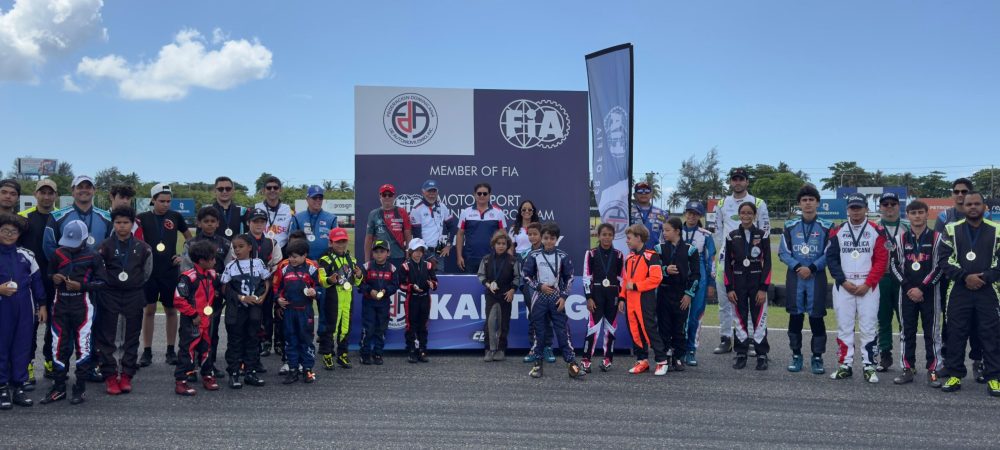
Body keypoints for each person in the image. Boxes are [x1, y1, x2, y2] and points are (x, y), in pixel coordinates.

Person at [937, 192, 1000, 395]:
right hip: (958, 289)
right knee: (956, 333)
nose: (973, 207)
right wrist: (965, 277)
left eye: (977, 204)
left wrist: (985, 277)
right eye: (968, 204)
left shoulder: (997, 230)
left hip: (988, 290)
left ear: (984, 207)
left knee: (991, 334)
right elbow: (944, 260)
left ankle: (993, 377)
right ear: (962, 207)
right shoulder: (950, 229)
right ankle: (955, 374)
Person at [41, 220, 107, 405]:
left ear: (85, 239)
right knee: (58, 347)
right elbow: (49, 275)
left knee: (83, 347)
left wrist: (82, 286)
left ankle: (80, 387)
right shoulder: (57, 253)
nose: (70, 246)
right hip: (60, 305)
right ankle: (59, 387)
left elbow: (103, 282)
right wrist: (54, 278)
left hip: (83, 307)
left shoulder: (93, 256)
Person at [827, 194, 889, 383]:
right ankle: (845, 365)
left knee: (868, 326)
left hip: (868, 287)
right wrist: (843, 282)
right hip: (843, 286)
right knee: (844, 327)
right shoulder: (837, 231)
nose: (855, 211)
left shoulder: (877, 230)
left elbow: (881, 260)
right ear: (847, 209)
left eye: (859, 207)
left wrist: (868, 284)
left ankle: (869, 365)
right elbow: (832, 259)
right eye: (852, 207)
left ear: (866, 209)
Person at [95, 206, 152, 396]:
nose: (122, 226)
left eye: (125, 222)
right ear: (114, 224)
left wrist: (133, 283)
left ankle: (126, 374)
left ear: (133, 224)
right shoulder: (104, 247)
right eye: (118, 223)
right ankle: (110, 375)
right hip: (109, 294)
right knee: (108, 335)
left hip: (134, 294)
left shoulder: (143, 248)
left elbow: (146, 273)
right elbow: (100, 271)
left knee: (131, 335)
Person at [713, 168, 770, 355]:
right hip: (727, 259)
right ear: (730, 182)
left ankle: (752, 339)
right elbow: (718, 234)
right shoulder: (721, 203)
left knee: (752, 300)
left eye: (741, 179)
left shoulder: (759, 202)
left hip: (752, 260)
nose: (737, 182)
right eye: (734, 179)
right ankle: (725, 338)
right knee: (725, 300)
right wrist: (721, 256)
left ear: (747, 182)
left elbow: (765, 230)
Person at [888, 200, 944, 387]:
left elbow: (940, 267)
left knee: (932, 332)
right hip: (907, 294)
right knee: (907, 331)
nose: (917, 216)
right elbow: (894, 267)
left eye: (921, 212)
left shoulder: (937, 238)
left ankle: (933, 369)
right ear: (907, 216)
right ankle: (907, 368)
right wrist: (908, 288)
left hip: (929, 293)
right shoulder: (900, 240)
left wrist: (922, 288)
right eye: (913, 213)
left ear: (927, 214)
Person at [777, 185, 832, 374]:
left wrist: (813, 267)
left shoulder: (827, 226)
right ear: (799, 204)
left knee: (817, 316)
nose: (808, 203)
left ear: (817, 203)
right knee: (795, 316)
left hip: (816, 277)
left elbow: (830, 252)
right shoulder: (790, 226)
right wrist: (799, 267)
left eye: (811, 200)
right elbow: (783, 252)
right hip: (796, 276)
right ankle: (796, 355)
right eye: (804, 200)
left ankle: (817, 357)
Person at [137, 183, 193, 368]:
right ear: (153, 200)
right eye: (162, 201)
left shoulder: (175, 217)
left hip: (170, 271)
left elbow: (190, 239)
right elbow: (135, 241)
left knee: (171, 310)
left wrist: (183, 256)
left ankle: (171, 350)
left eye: (169, 201)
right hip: (150, 271)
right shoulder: (142, 218)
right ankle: (147, 351)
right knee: (149, 310)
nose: (166, 204)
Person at [934, 178, 984, 382]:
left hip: (980, 279)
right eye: (957, 191)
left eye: (965, 191)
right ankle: (950, 362)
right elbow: (939, 250)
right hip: (952, 279)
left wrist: (978, 277)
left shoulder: (982, 214)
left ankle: (979, 362)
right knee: (952, 323)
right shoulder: (944, 217)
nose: (961, 195)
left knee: (979, 323)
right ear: (952, 194)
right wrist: (960, 275)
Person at [522, 222, 583, 379]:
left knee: (562, 332)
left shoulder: (563, 256)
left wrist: (563, 296)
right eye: (546, 238)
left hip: (556, 298)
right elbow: (526, 275)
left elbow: (569, 278)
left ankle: (572, 365)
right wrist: (539, 286)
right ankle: (537, 365)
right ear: (541, 238)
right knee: (539, 333)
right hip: (539, 297)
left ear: (557, 239)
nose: (549, 241)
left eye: (552, 238)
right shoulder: (533, 255)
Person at [0, 213, 47, 409]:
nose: (9, 234)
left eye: (13, 231)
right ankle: (2, 387)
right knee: (2, 346)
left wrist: (42, 305)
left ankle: (18, 385)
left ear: (19, 234)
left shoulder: (27, 255)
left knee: (22, 346)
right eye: (4, 230)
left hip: (24, 308)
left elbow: (37, 283)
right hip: (3, 306)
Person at [180, 206, 232, 379]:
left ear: (218, 223)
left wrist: (220, 289)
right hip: (195, 298)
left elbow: (228, 270)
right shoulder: (190, 244)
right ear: (199, 223)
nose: (209, 225)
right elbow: (185, 269)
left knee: (211, 332)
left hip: (214, 296)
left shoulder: (225, 243)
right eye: (206, 221)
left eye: (212, 221)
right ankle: (190, 367)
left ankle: (209, 365)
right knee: (192, 333)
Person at [17, 179, 57, 388]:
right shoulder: (23, 218)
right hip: (30, 281)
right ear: (35, 194)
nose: (47, 196)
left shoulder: (60, 217)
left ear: (56, 196)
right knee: (29, 326)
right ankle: (28, 364)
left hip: (54, 281)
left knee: (54, 325)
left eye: (51, 193)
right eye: (43, 192)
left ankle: (50, 362)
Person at [724, 202, 771, 370]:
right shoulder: (731, 236)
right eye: (743, 213)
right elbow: (727, 265)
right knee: (739, 318)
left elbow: (768, 264)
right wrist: (729, 288)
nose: (746, 216)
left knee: (759, 319)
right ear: (739, 215)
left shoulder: (763, 235)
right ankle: (741, 352)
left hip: (757, 283)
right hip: (738, 284)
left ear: (755, 215)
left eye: (749, 213)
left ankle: (761, 354)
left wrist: (763, 288)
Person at [618, 223, 669, 376]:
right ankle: (642, 361)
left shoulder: (651, 255)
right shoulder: (629, 257)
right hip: (630, 301)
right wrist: (622, 297)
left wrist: (635, 286)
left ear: (639, 238)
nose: (627, 241)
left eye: (629, 238)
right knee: (634, 331)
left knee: (649, 329)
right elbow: (625, 281)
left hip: (644, 299)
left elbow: (656, 278)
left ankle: (662, 361)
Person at [172, 240, 220, 396]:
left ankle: (207, 375)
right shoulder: (188, 277)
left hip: (207, 319)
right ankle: (181, 381)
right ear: (201, 261)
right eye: (212, 259)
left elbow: (220, 288)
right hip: (192, 321)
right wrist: (193, 314)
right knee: (187, 351)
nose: (214, 261)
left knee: (207, 349)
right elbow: (179, 299)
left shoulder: (212, 275)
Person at [219, 234, 268, 389]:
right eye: (235, 248)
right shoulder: (230, 266)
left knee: (253, 340)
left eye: (241, 246)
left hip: (254, 309)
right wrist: (241, 297)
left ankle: (250, 372)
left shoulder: (259, 263)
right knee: (235, 341)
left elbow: (267, 281)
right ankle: (233, 373)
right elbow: (224, 289)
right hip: (237, 310)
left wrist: (262, 297)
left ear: (250, 247)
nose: (237, 250)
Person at [273, 239, 320, 384]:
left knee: (306, 340)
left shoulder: (311, 269)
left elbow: (321, 288)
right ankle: (293, 369)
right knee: (290, 340)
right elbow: (277, 289)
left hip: (305, 312)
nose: (292, 259)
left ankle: (307, 370)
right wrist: (278, 300)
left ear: (304, 255)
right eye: (290, 256)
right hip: (289, 312)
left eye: (295, 256)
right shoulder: (284, 269)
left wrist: (315, 292)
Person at [656, 217, 701, 372]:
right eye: (663, 230)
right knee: (664, 326)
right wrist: (665, 270)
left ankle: (678, 357)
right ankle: (665, 357)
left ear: (677, 231)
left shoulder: (691, 250)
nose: (665, 233)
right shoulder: (659, 248)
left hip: (682, 294)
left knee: (680, 326)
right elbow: (652, 270)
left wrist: (689, 294)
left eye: (667, 230)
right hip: (664, 292)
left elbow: (696, 275)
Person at [239, 208, 282, 360]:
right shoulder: (240, 240)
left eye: (262, 221)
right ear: (248, 222)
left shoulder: (272, 241)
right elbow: (233, 261)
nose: (258, 224)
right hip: (245, 284)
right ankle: (249, 342)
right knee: (246, 314)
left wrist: (268, 279)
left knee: (266, 314)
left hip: (265, 284)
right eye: (255, 221)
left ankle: (266, 342)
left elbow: (277, 264)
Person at [581, 223, 625, 372]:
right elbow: (587, 277)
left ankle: (608, 359)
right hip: (597, 294)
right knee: (592, 328)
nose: (606, 237)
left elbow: (621, 279)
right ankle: (586, 359)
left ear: (613, 236)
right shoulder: (591, 253)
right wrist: (589, 297)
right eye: (604, 234)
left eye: (609, 235)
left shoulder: (619, 255)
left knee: (611, 329)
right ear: (598, 236)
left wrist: (621, 299)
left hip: (612, 295)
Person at [317, 228, 363, 370]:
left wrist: (359, 275)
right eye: (337, 242)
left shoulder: (352, 259)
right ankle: (327, 355)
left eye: (343, 242)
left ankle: (342, 354)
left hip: (348, 298)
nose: (341, 245)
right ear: (331, 243)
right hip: (332, 298)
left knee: (345, 328)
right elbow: (321, 280)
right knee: (331, 328)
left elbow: (357, 282)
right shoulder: (325, 260)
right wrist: (329, 280)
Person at [875, 192, 909, 372]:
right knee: (883, 318)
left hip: (903, 279)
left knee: (905, 319)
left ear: (898, 206)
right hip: (882, 278)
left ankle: (907, 358)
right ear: (880, 207)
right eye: (885, 204)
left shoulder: (907, 227)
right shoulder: (874, 227)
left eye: (893, 204)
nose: (889, 207)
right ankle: (885, 355)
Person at [679, 201, 716, 366]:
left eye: (695, 213)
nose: (691, 216)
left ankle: (691, 349)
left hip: (699, 278)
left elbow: (711, 261)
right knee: (677, 314)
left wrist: (711, 284)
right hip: (677, 277)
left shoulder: (706, 235)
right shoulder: (674, 230)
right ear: (685, 213)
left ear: (700, 216)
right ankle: (677, 348)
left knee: (695, 315)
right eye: (689, 212)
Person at [43, 175, 112, 258]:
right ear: (72, 191)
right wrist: (65, 265)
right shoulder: (57, 217)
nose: (84, 190)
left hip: (98, 269)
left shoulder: (107, 218)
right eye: (80, 187)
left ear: (94, 191)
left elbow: (112, 247)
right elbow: (48, 247)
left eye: (88, 187)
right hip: (67, 269)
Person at [478, 231, 517, 362]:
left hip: (506, 295)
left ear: (507, 245)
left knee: (503, 322)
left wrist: (512, 290)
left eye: (503, 244)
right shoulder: (486, 259)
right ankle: (489, 349)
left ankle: (501, 349)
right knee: (489, 322)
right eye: (498, 243)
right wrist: (488, 284)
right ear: (493, 244)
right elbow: (480, 275)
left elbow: (518, 277)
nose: (501, 246)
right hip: (491, 294)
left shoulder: (513, 261)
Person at [359, 240, 399, 366]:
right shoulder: (366, 266)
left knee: (381, 329)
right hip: (369, 303)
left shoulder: (392, 268)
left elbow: (395, 285)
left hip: (384, 303)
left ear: (388, 253)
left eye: (382, 251)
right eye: (376, 252)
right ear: (372, 253)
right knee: (368, 329)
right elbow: (360, 283)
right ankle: (365, 354)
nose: (379, 254)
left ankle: (378, 353)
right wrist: (370, 291)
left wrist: (386, 291)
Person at [519, 222, 554, 363]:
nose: (532, 237)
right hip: (531, 291)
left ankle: (547, 347)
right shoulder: (524, 253)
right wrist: (525, 289)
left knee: (547, 318)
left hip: (547, 290)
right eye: (530, 234)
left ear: (541, 235)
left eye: (535, 234)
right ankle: (534, 348)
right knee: (534, 319)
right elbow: (523, 274)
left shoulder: (550, 252)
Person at [400, 238, 438, 363]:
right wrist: (411, 287)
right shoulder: (405, 266)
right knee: (411, 325)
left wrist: (432, 284)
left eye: (421, 250)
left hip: (425, 299)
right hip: (412, 299)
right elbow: (401, 285)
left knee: (423, 325)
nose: (418, 253)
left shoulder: (428, 265)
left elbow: (435, 282)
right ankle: (411, 350)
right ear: (410, 251)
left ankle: (422, 350)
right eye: (416, 250)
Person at [456, 183, 506, 274]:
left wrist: (505, 256)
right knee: (470, 287)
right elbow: (460, 234)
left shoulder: (498, 212)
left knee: (491, 287)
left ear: (490, 195)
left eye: (485, 193)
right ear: (474, 195)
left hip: (492, 257)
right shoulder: (466, 212)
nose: (482, 196)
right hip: (470, 258)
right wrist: (459, 256)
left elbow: (504, 235)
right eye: (479, 193)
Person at [409, 179, 457, 272]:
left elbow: (452, 227)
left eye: (434, 191)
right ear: (423, 192)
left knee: (440, 282)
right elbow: (416, 236)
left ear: (437, 192)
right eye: (429, 191)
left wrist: (448, 245)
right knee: (423, 281)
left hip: (440, 251)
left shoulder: (442, 207)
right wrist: (428, 255)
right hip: (423, 252)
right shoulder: (416, 210)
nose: (432, 194)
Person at [364, 184, 412, 269]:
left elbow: (408, 237)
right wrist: (367, 261)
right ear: (380, 196)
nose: (387, 197)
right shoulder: (373, 214)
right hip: (379, 257)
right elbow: (368, 238)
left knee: (398, 282)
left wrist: (408, 256)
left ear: (394, 196)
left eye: (390, 195)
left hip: (398, 257)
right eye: (384, 195)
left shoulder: (402, 212)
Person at [288, 185, 337, 261]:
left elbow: (337, 243)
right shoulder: (297, 218)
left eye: (320, 198)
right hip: (303, 263)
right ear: (307, 199)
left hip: (326, 262)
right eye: (314, 198)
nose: (318, 200)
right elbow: (291, 243)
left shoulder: (332, 218)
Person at [255, 176, 293, 250]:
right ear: (263, 190)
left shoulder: (288, 210)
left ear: (280, 190)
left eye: (275, 188)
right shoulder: (256, 208)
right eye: (269, 188)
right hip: (261, 250)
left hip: (282, 251)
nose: (272, 190)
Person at [630, 181, 666, 251]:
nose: (643, 193)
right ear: (634, 195)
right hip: (633, 255)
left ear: (651, 194)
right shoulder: (628, 212)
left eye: (647, 191)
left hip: (654, 255)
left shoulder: (662, 214)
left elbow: (667, 238)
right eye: (640, 191)